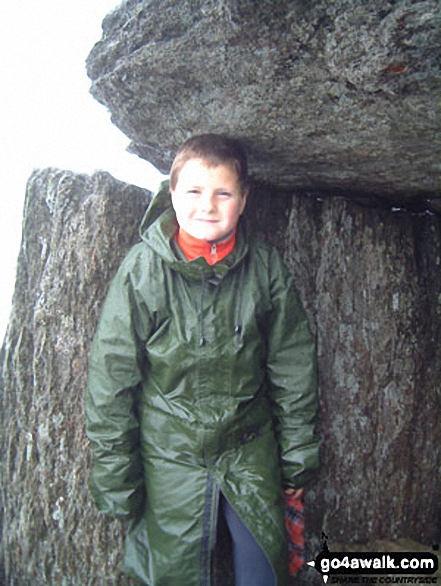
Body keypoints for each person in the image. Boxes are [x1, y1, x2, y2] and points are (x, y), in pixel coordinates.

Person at [85, 133, 320, 586]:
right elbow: (111, 379)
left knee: (265, 565)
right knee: (175, 570)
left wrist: (297, 457)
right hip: (169, 453)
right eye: (193, 191)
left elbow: (293, 367)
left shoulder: (266, 268)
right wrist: (116, 475)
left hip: (248, 446)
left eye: (223, 193)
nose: (207, 205)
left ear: (244, 199)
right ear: (171, 193)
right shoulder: (142, 270)